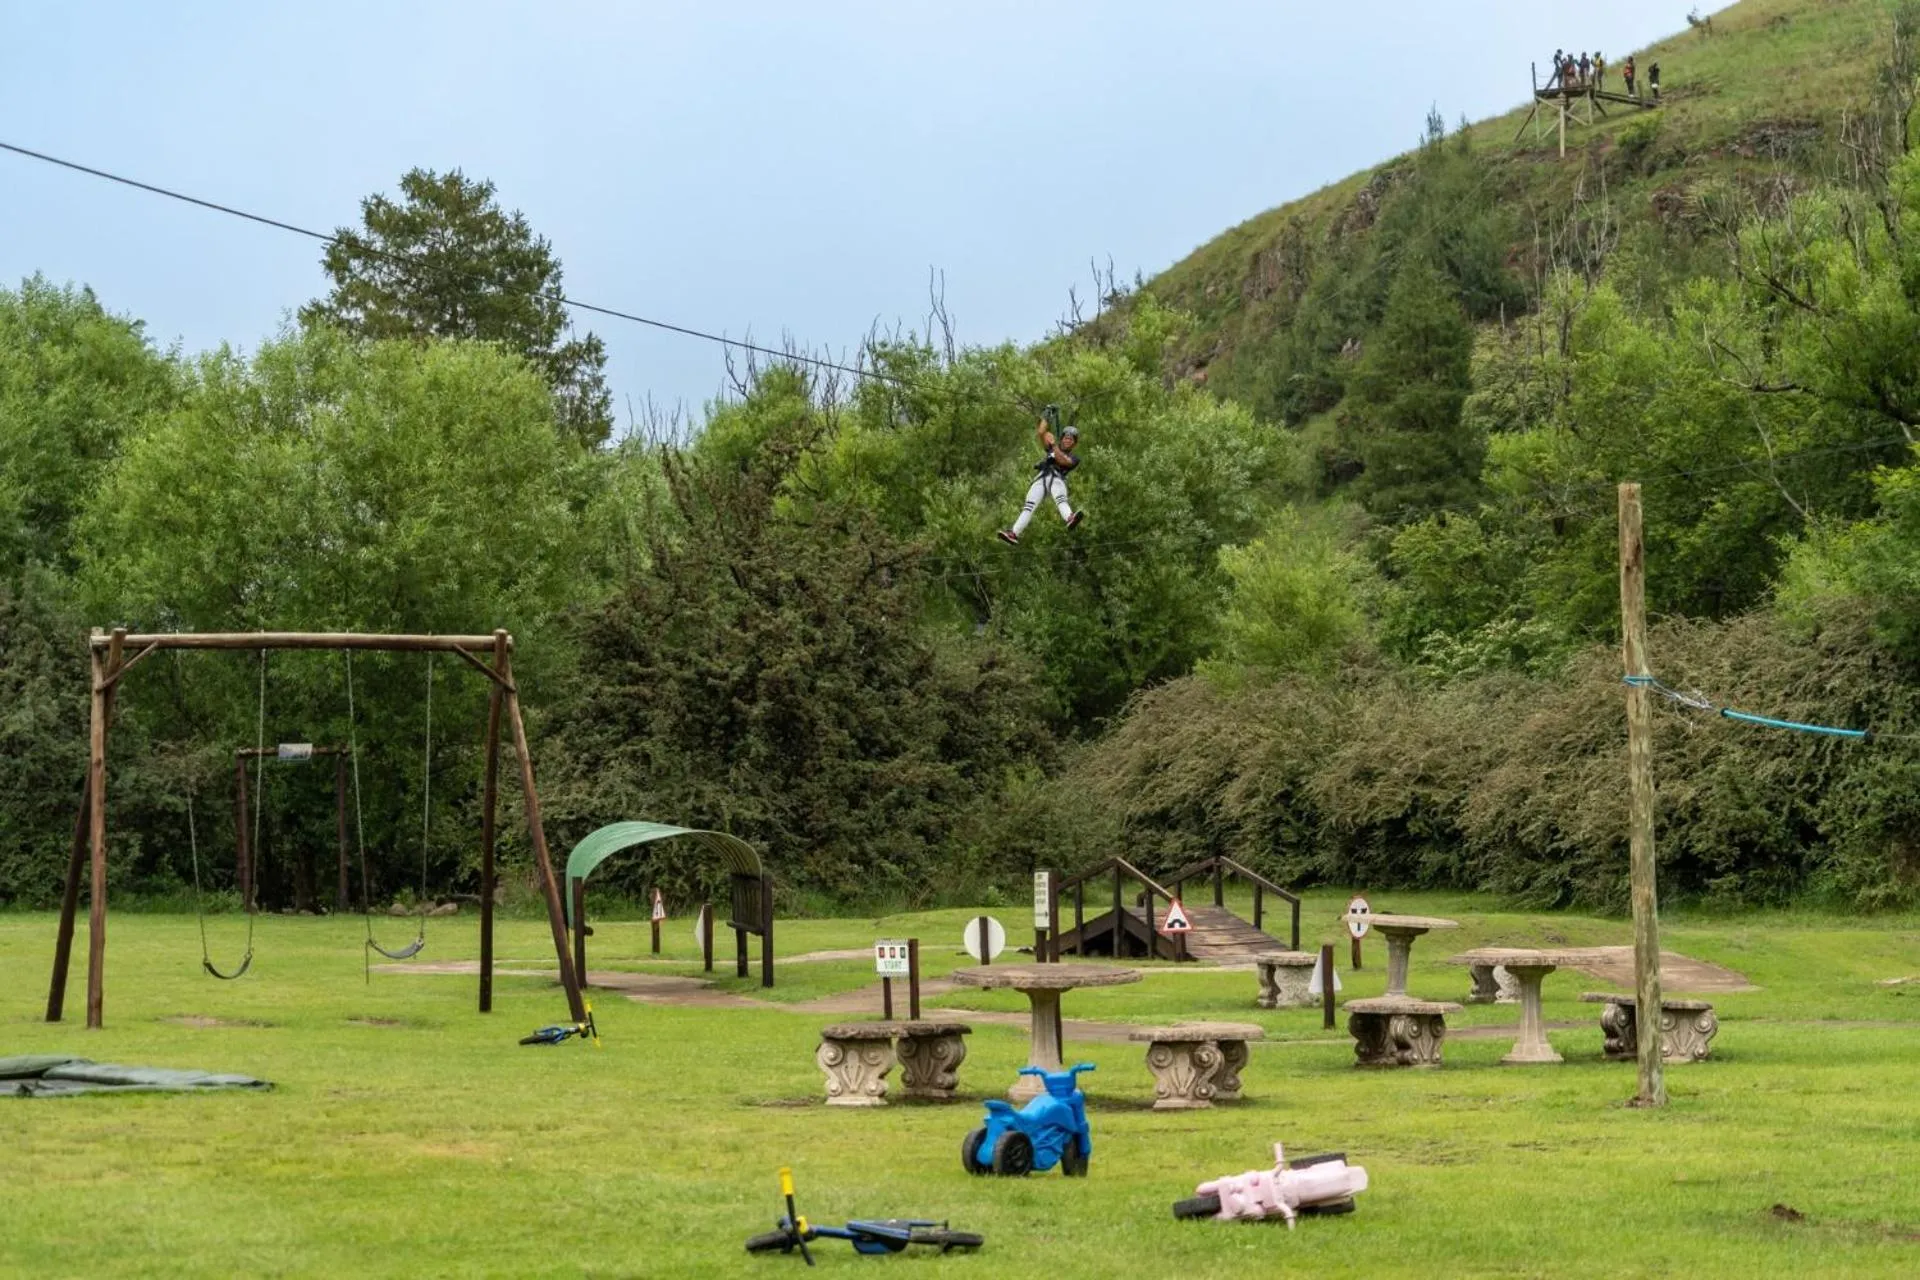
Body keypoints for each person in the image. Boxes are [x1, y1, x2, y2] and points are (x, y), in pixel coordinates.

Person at [998, 406, 1082, 545]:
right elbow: (1041, 432)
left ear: (1074, 444)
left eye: (1071, 440)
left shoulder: (1074, 458)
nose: (1068, 441)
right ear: (1062, 439)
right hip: (1042, 478)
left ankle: (1070, 517)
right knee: (1028, 506)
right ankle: (1014, 533)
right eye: (1066, 438)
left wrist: (1054, 444)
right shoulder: (1052, 448)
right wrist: (1047, 414)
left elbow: (1063, 461)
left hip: (1057, 479)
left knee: (1061, 499)